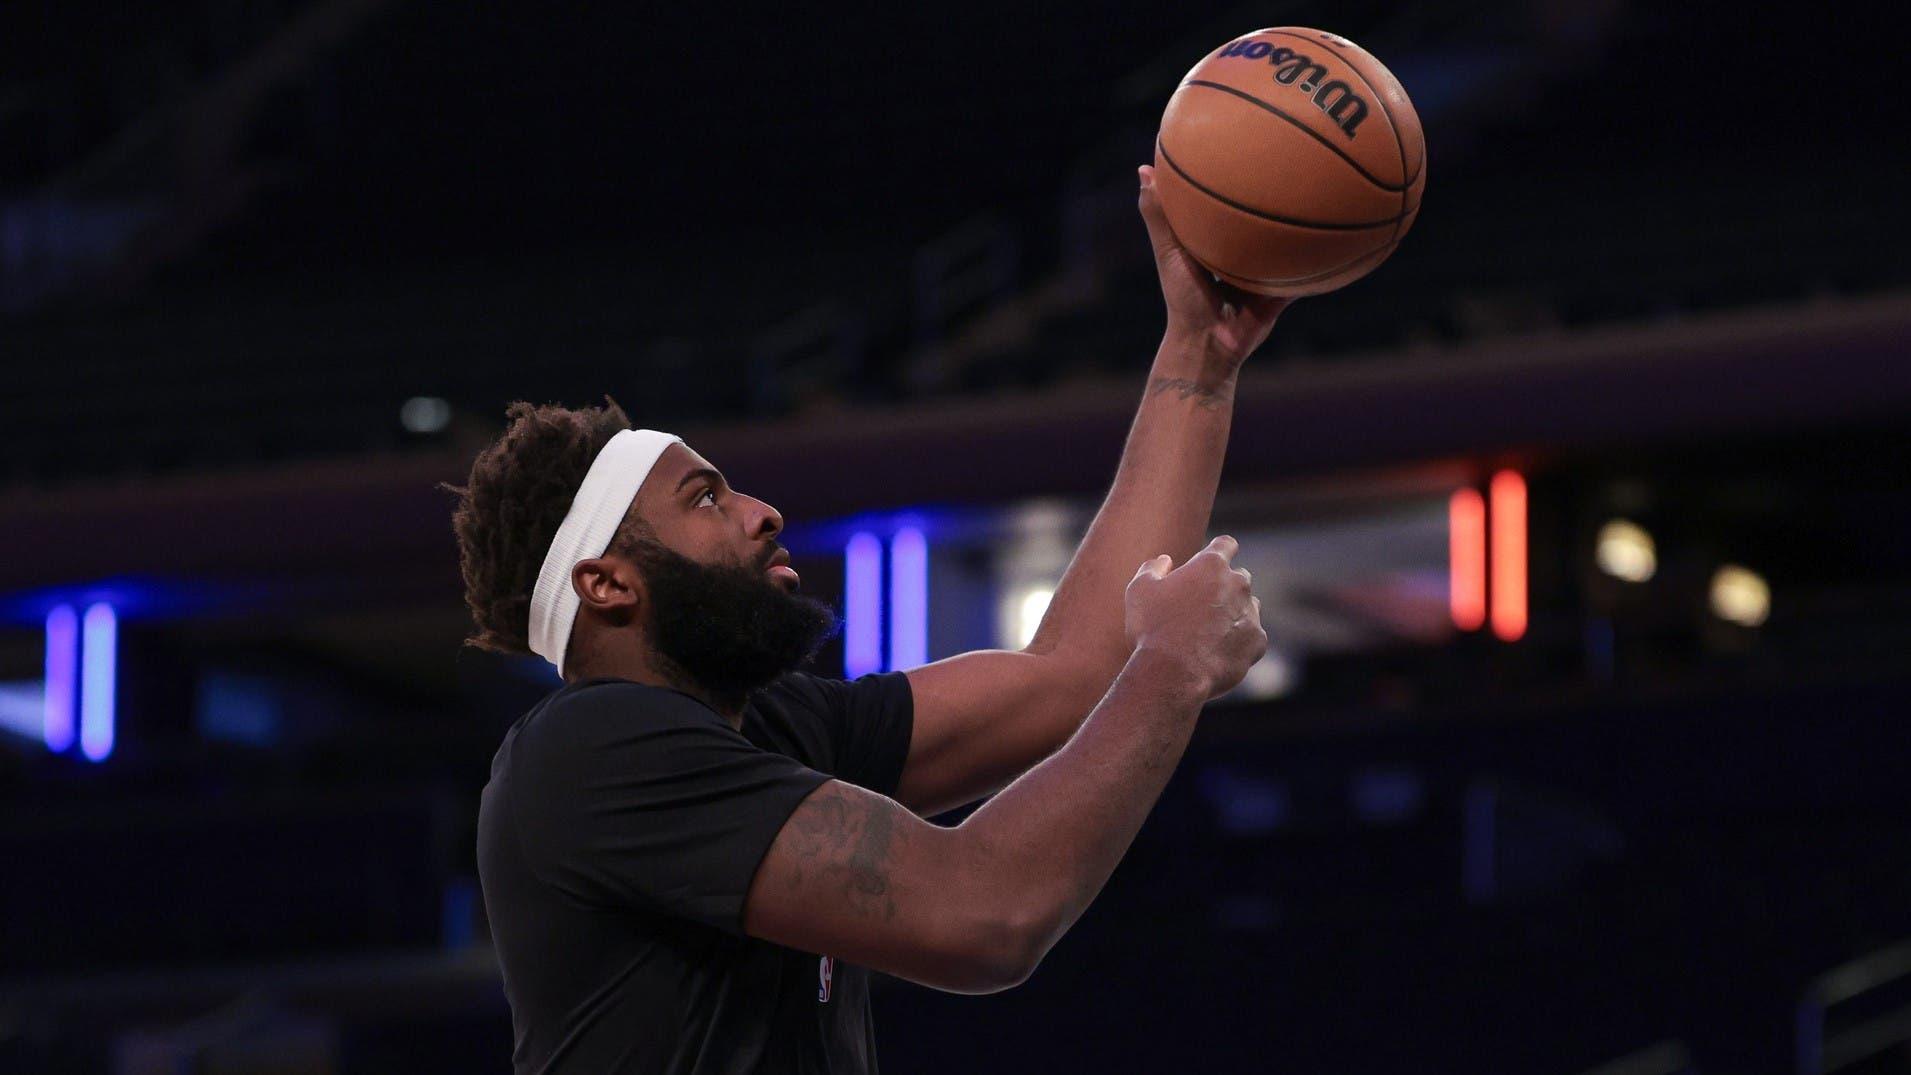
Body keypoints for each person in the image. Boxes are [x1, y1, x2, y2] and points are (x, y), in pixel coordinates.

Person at [451, 165, 1285, 1074]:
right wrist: (1171, 668)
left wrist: (1197, 357)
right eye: (705, 497)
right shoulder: (590, 747)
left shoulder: (769, 729)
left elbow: (1076, 673)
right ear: (608, 582)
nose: (763, 510)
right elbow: (987, 914)